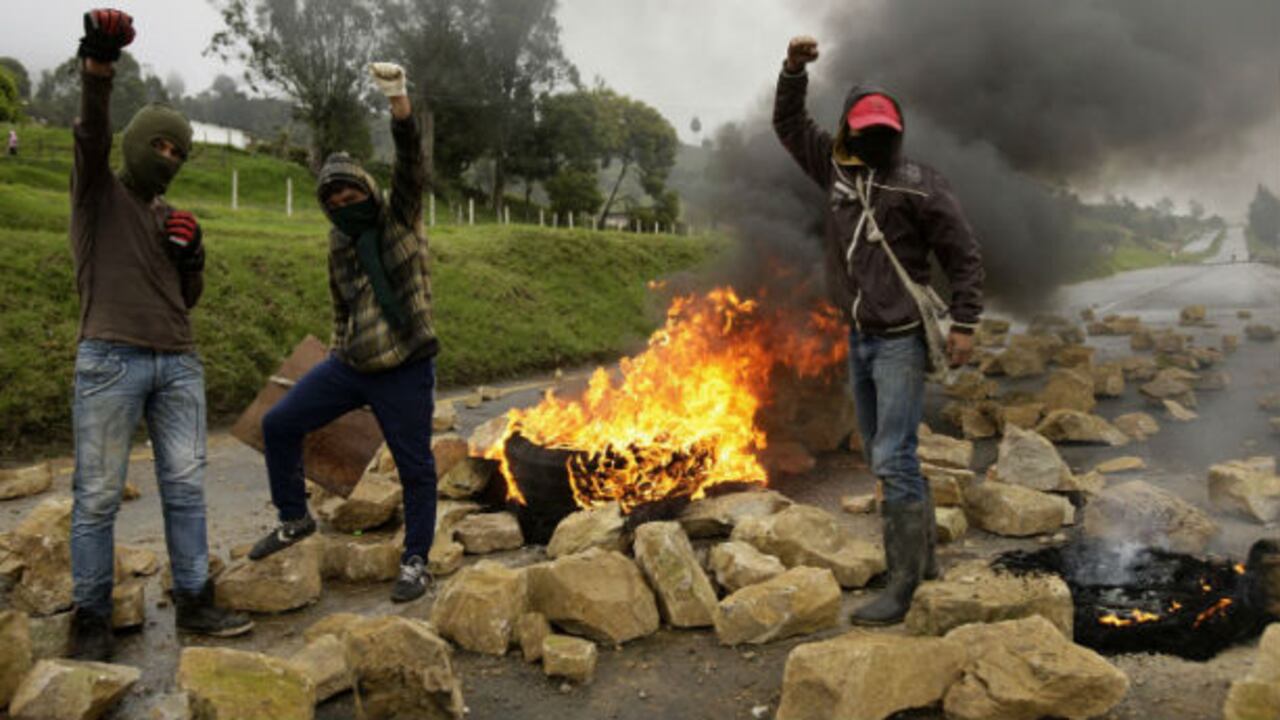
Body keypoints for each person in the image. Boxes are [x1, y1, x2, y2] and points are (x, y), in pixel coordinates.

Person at [773, 36, 985, 625]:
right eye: (863, 130)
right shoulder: (834, 167)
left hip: (899, 340)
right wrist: (793, 70)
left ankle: (903, 587)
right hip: (859, 336)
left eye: (882, 131)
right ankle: (924, 563)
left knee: (894, 457)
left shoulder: (921, 183)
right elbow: (788, 124)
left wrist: (965, 322)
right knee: (881, 453)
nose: (873, 139)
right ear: (848, 128)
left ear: (897, 131)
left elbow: (964, 254)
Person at [68, 7, 253, 661]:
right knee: (96, 497)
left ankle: (196, 601)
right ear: (136, 143)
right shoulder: (96, 194)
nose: (168, 158)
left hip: (178, 362)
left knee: (186, 488)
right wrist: (99, 68)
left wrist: (192, 256)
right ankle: (91, 618)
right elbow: (91, 133)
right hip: (110, 357)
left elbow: (187, 299)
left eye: (178, 152)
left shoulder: (171, 216)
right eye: (160, 146)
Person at [247, 62, 440, 604]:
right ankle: (293, 517)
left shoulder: (398, 218)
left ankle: (417, 561)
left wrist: (398, 100)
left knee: (415, 468)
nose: (341, 206)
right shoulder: (339, 242)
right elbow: (340, 304)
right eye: (331, 201)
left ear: (368, 191)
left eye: (349, 195)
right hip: (351, 366)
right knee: (279, 422)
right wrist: (334, 356)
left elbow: (412, 163)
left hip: (405, 366)